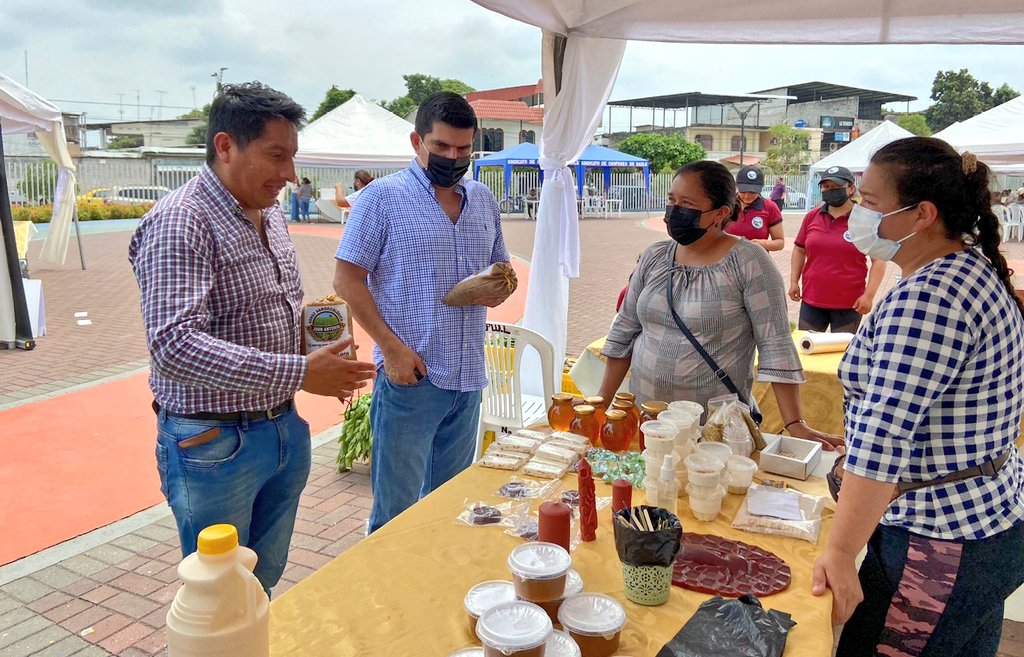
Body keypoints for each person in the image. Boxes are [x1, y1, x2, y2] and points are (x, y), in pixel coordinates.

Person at [128, 82, 377, 593]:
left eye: (293, 156)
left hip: (280, 427)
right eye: (276, 155)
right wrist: (301, 371)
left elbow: (266, 309)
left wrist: (319, 350)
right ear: (225, 146)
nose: (290, 174)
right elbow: (173, 345)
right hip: (214, 443)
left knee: (262, 579)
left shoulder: (270, 211)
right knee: (218, 593)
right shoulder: (182, 221)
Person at [811, 137, 1024, 656]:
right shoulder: (963, 268)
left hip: (939, 543)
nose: (856, 212)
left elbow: (883, 439)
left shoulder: (931, 297)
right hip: (981, 522)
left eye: (870, 202)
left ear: (922, 214)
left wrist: (840, 550)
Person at [334, 92, 514, 533]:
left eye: (463, 149)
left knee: (448, 507)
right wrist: (391, 350)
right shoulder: (381, 198)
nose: (452, 158)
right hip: (411, 377)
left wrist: (497, 288)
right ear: (417, 141)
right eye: (441, 146)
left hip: (467, 377)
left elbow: (500, 269)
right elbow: (346, 280)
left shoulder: (483, 200)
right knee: (395, 514)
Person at [598, 160, 842, 452]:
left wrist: (795, 423)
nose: (674, 211)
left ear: (720, 213)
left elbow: (775, 345)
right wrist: (601, 402)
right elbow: (625, 331)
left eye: (687, 203)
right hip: (647, 423)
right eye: (672, 200)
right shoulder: (654, 257)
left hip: (714, 431)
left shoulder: (749, 263)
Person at [789, 165, 886, 333]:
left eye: (835, 187)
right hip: (812, 300)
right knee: (808, 345)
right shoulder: (812, 217)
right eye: (826, 187)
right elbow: (799, 250)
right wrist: (793, 282)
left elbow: (879, 260)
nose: (830, 191)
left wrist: (869, 296)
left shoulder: (864, 220)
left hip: (849, 304)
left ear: (851, 188)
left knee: (842, 348)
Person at [727, 165, 785, 251]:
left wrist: (761, 244)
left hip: (756, 258)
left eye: (752, 192)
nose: (747, 196)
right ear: (736, 186)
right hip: (726, 258)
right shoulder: (725, 205)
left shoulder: (770, 207)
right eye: (743, 191)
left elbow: (780, 242)